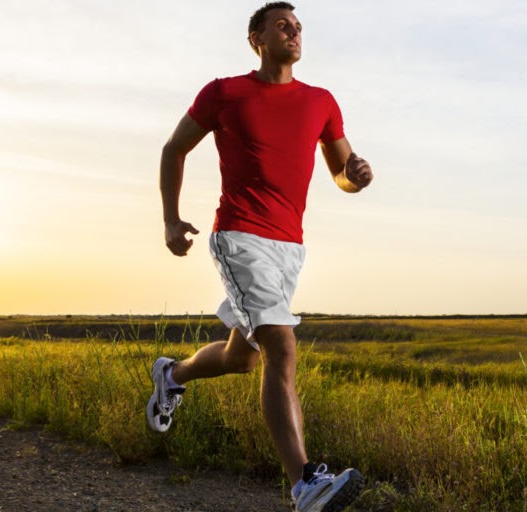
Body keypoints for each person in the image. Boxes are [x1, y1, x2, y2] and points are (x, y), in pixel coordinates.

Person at [146, 3, 372, 511]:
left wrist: (353, 177)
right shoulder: (224, 92)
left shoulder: (322, 101)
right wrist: (170, 218)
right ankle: (305, 484)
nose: (293, 33)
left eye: (298, 28)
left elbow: (340, 173)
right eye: (282, 26)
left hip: (290, 246)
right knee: (282, 347)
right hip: (240, 236)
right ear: (257, 38)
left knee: (241, 358)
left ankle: (171, 375)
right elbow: (173, 149)